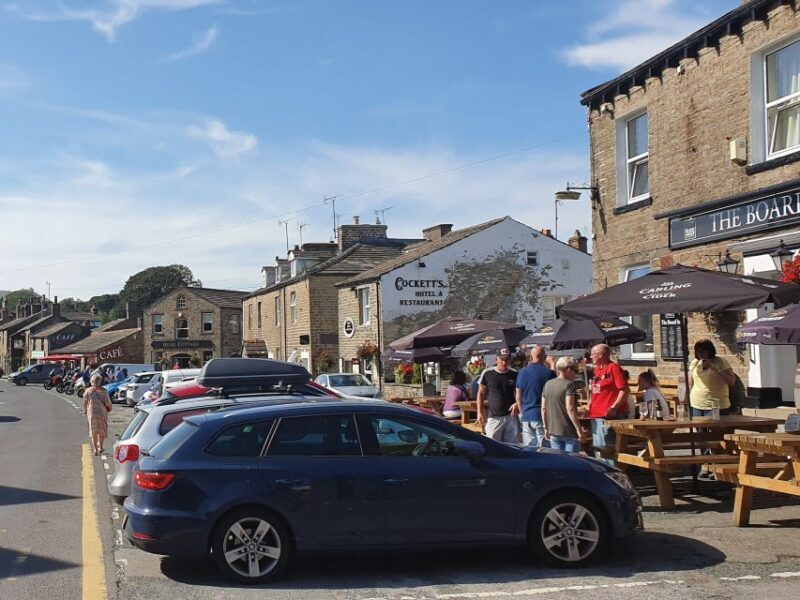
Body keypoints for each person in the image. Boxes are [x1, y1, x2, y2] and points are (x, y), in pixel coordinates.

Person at [586, 344, 629, 457]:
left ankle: (612, 472)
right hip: (596, 415)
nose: (590, 356)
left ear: (601, 355)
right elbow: (595, 390)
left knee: (607, 449)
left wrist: (614, 407)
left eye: (593, 354)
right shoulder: (596, 370)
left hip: (609, 415)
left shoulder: (613, 368)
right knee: (598, 448)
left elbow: (624, 390)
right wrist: (589, 405)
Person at [542, 356, 587, 452]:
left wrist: (546, 428)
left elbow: (543, 409)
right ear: (568, 369)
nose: (576, 374)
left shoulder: (548, 384)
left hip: (554, 431)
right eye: (575, 370)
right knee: (572, 463)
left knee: (559, 464)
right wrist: (579, 430)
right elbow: (570, 408)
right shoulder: (569, 384)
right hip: (569, 431)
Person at [515, 345, 556, 447]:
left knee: (529, 449)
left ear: (531, 356)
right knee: (545, 450)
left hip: (527, 415)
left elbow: (518, 396)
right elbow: (554, 389)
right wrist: (552, 364)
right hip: (542, 416)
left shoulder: (522, 372)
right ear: (543, 356)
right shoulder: (548, 373)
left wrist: (522, 413)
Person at [476, 348, 519, 443]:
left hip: (511, 415)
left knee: (513, 445)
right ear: (496, 359)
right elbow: (480, 393)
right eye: (502, 359)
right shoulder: (487, 373)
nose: (504, 362)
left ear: (510, 360)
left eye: (506, 360)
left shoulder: (514, 374)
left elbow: (519, 392)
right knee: (492, 445)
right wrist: (479, 412)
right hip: (494, 415)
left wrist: (517, 403)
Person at [688, 339, 735, 417]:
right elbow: (690, 382)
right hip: (697, 403)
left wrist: (715, 369)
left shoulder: (720, 362)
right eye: (698, 351)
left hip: (716, 404)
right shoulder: (695, 362)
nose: (700, 354)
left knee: (715, 428)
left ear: (709, 350)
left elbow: (731, 382)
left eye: (703, 351)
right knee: (700, 428)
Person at [82, 373, 112, 456]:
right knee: (101, 429)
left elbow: (85, 402)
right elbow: (108, 403)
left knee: (93, 430)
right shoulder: (104, 391)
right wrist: (109, 409)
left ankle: (95, 449)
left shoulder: (88, 390)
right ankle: (101, 447)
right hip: (102, 413)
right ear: (100, 381)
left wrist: (85, 411)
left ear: (91, 381)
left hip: (91, 412)